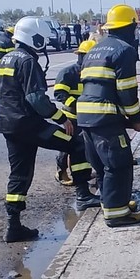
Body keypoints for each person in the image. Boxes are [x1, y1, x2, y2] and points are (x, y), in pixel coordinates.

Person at [0, 16, 99, 242]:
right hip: (29, 124)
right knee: (77, 143)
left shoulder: (6, 59)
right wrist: (61, 118)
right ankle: (83, 194)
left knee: (19, 173)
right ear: (35, 37)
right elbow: (35, 98)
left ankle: (13, 226)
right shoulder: (27, 61)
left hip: (9, 125)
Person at [77, 4, 140, 227]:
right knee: (119, 164)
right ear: (129, 27)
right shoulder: (124, 50)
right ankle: (117, 214)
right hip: (105, 117)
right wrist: (136, 119)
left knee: (101, 165)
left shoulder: (94, 49)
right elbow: (126, 90)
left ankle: (114, 203)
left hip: (85, 116)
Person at [53, 39, 96, 190]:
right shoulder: (68, 73)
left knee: (86, 147)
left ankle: (83, 174)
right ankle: (62, 171)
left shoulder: (94, 73)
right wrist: (76, 105)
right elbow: (59, 94)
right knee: (68, 146)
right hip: (71, 117)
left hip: (89, 116)